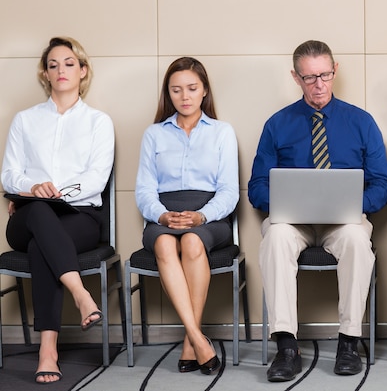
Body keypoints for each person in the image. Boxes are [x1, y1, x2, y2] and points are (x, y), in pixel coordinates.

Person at [248, 40, 387, 382]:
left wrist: (352, 206)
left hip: (343, 221)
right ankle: (286, 347)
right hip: (293, 221)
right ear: (296, 77)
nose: (319, 84)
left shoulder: (361, 122)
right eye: (309, 77)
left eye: (324, 75)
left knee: (358, 239)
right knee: (277, 237)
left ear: (335, 70)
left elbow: (382, 184)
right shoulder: (277, 124)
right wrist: (285, 202)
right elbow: (256, 187)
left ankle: (348, 343)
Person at [1, 37, 114, 384]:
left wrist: (57, 192)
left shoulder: (98, 122)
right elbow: (8, 174)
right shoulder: (24, 120)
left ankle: (47, 349)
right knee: (37, 213)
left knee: (42, 244)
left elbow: (96, 179)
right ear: (45, 74)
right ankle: (81, 295)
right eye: (53, 65)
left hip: (80, 218)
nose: (61, 70)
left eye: (68, 63)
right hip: (27, 216)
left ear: (82, 71)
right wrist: (32, 190)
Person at [135, 57, 239, 375]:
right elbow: (143, 191)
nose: (185, 96)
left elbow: (230, 191)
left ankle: (188, 342)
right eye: (177, 90)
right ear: (168, 94)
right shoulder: (154, 134)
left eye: (192, 88)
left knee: (193, 243)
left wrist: (201, 216)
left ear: (204, 91)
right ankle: (196, 337)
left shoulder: (222, 132)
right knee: (166, 246)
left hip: (210, 217)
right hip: (163, 216)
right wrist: (163, 216)